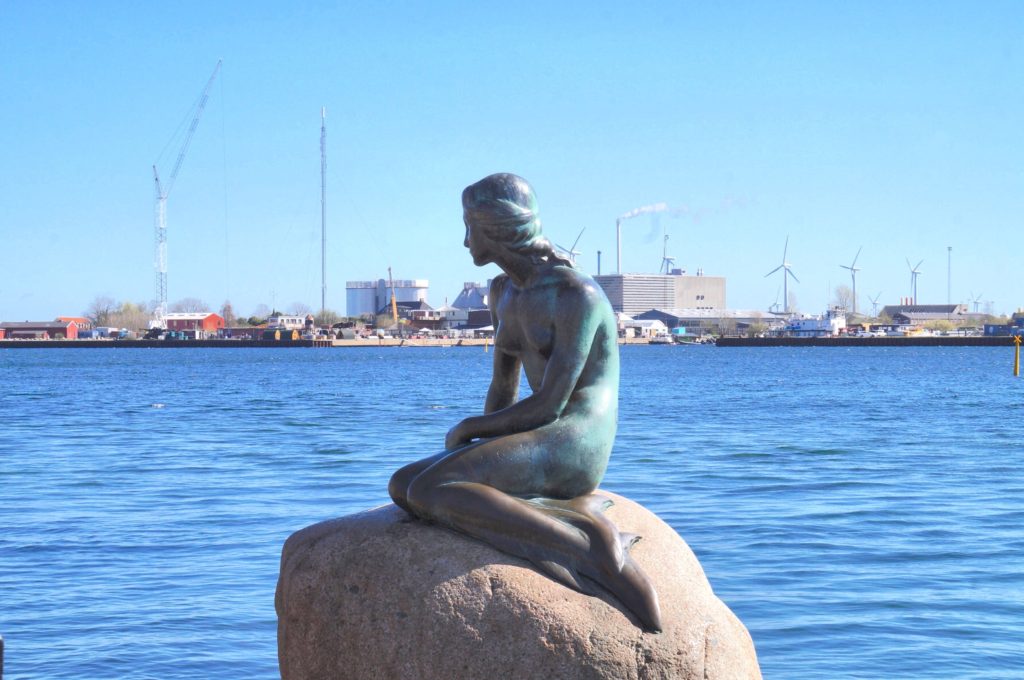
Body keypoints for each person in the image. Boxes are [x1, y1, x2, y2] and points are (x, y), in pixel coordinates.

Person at [389, 173, 661, 632]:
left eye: (469, 227)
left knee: (430, 490)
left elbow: (551, 404)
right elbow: (503, 389)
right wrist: (475, 448)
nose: (465, 241)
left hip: (576, 438)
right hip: (537, 432)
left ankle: (592, 552)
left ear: (496, 227)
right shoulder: (502, 292)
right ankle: (548, 516)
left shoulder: (576, 295)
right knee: (403, 485)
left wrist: (470, 429)